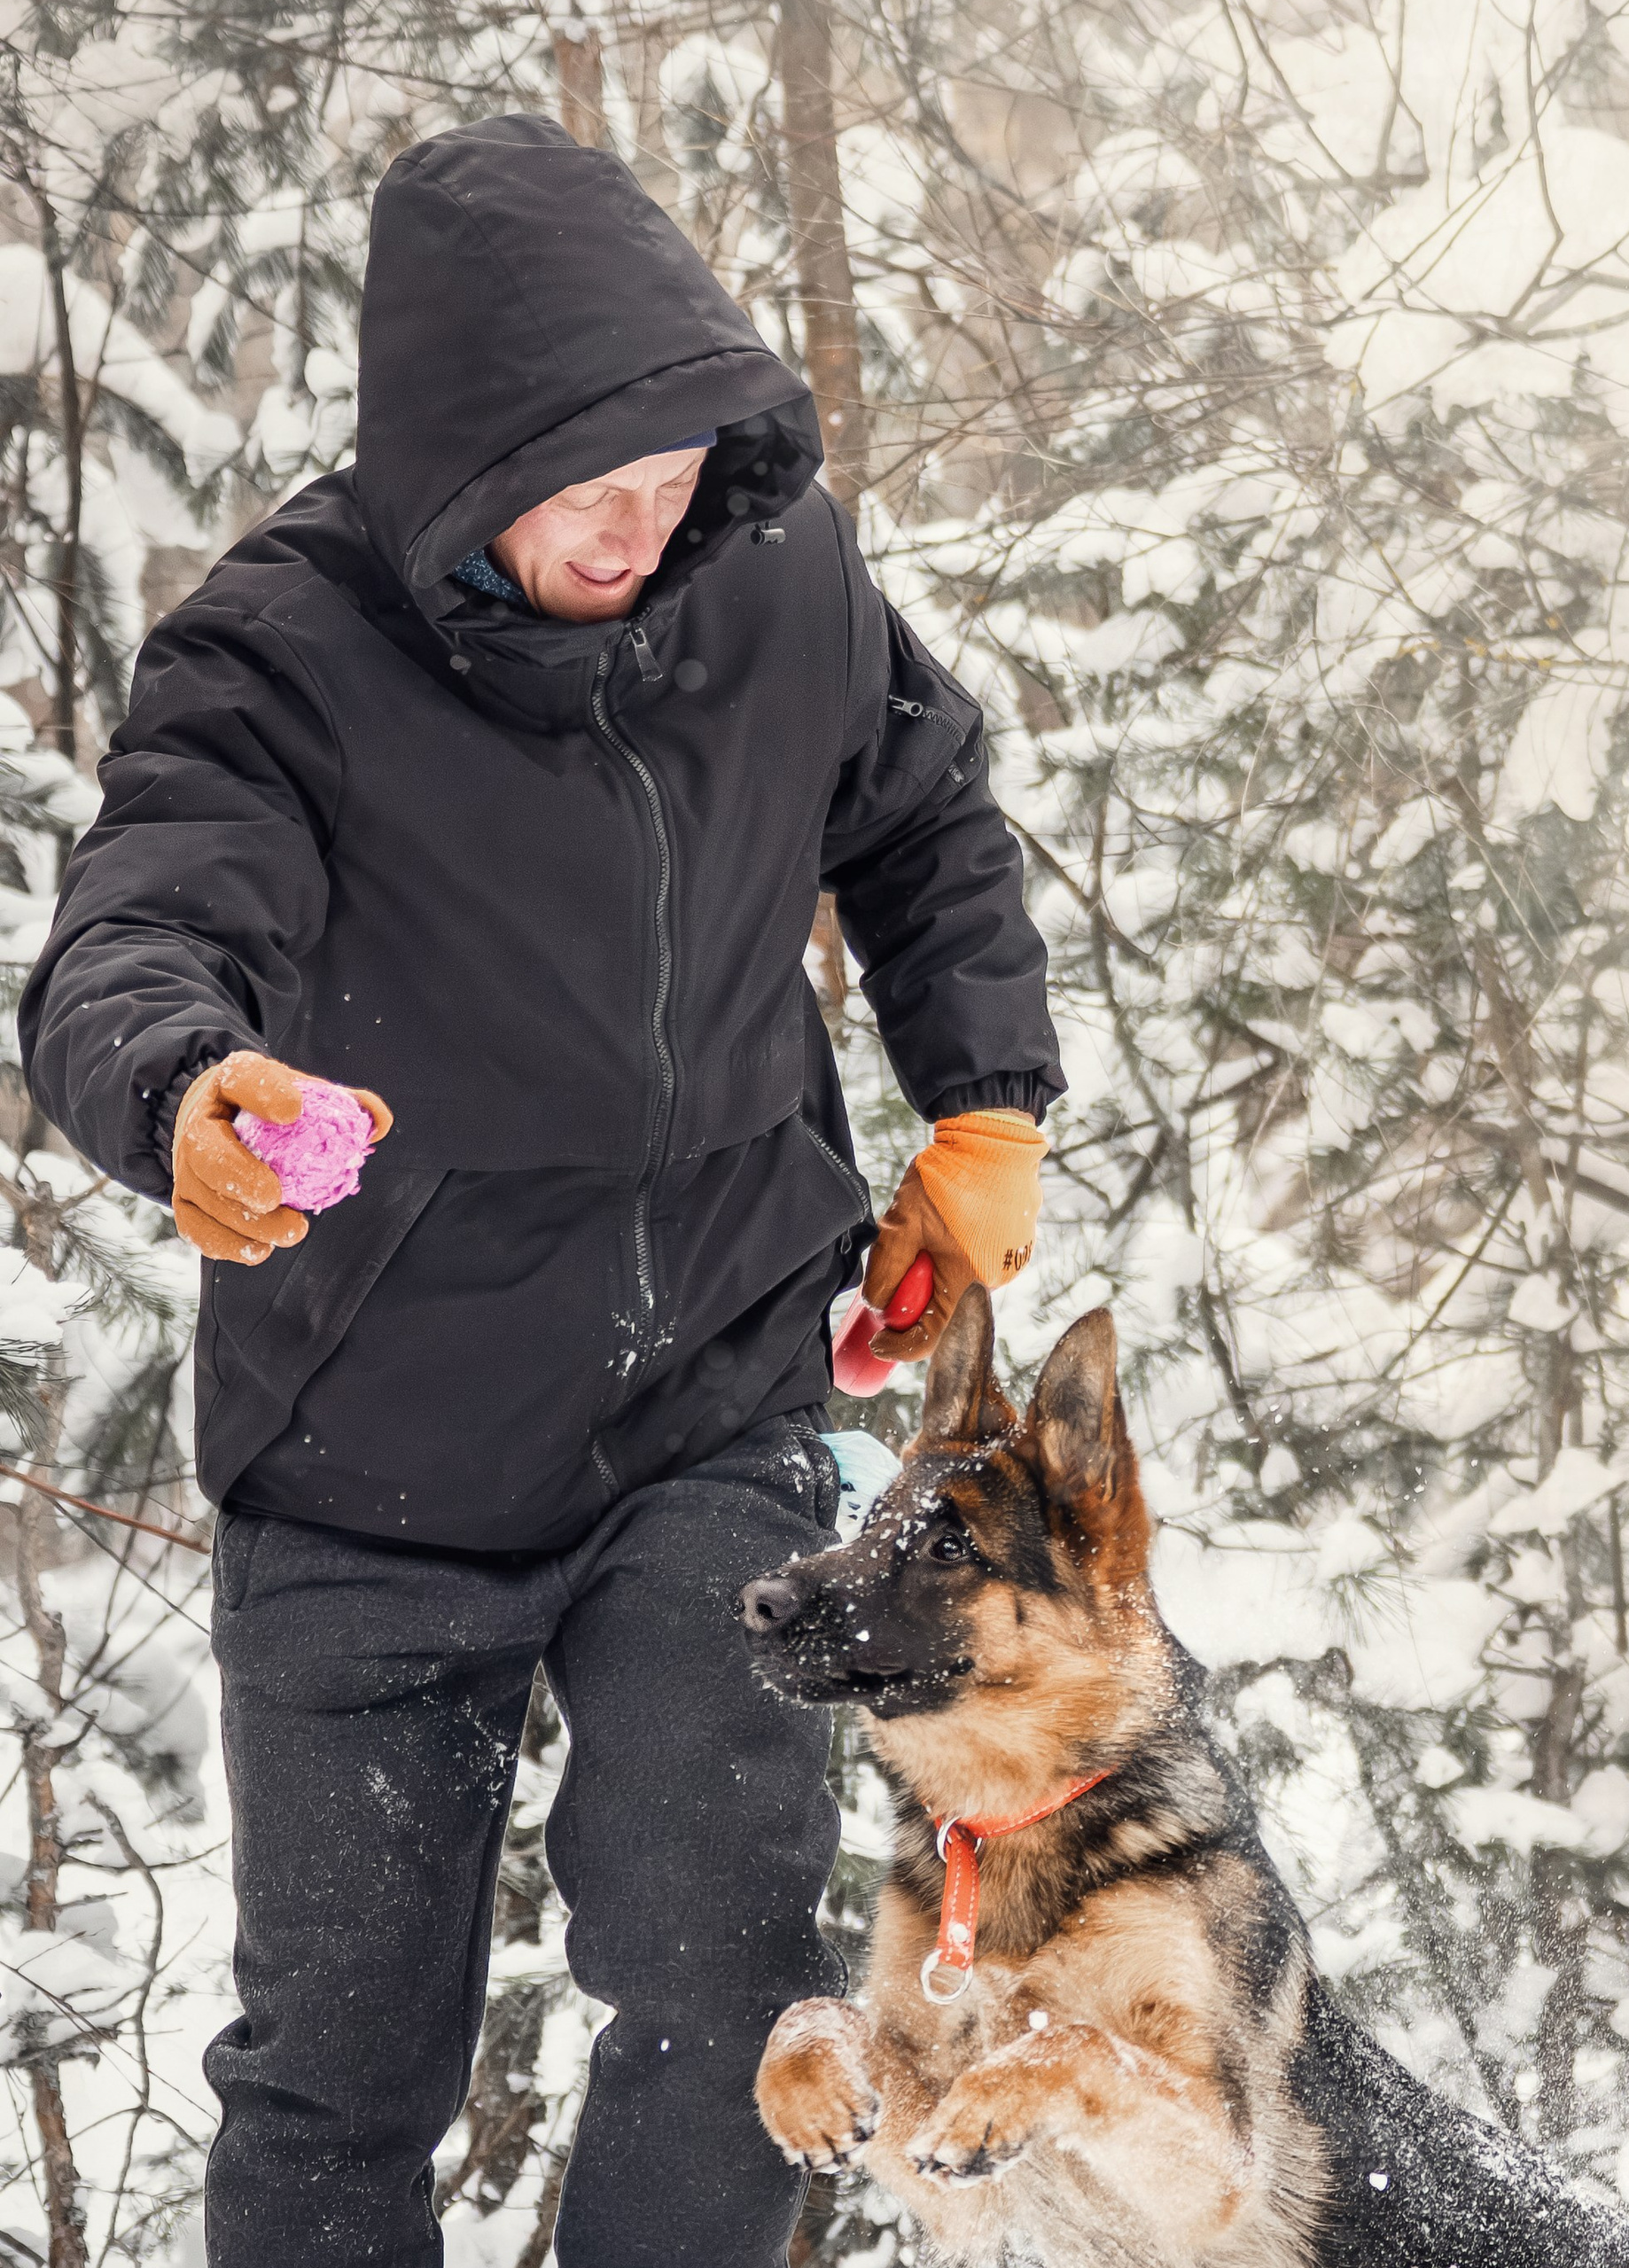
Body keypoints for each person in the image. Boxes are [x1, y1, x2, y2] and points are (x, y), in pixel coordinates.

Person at [19, 113, 1062, 2267]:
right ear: (460, 452)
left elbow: (928, 816)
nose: (643, 516)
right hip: (369, 1441)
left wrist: (984, 1102)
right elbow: (137, 928)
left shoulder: (775, 583)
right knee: (341, 2061)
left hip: (709, 1392)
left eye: (677, 464)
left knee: (726, 1981)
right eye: (590, 474)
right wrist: (184, 1089)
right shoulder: (277, 650)